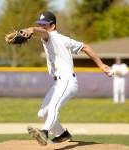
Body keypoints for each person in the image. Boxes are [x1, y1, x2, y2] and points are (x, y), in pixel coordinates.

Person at [21, 11, 113, 146]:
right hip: (59, 82)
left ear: (52, 26)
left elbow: (44, 33)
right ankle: (62, 134)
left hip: (67, 81)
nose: (42, 27)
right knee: (43, 113)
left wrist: (32, 29)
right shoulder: (64, 39)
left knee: (53, 107)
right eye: (39, 24)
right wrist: (101, 65)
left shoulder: (51, 36)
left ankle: (44, 132)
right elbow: (85, 47)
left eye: (44, 25)